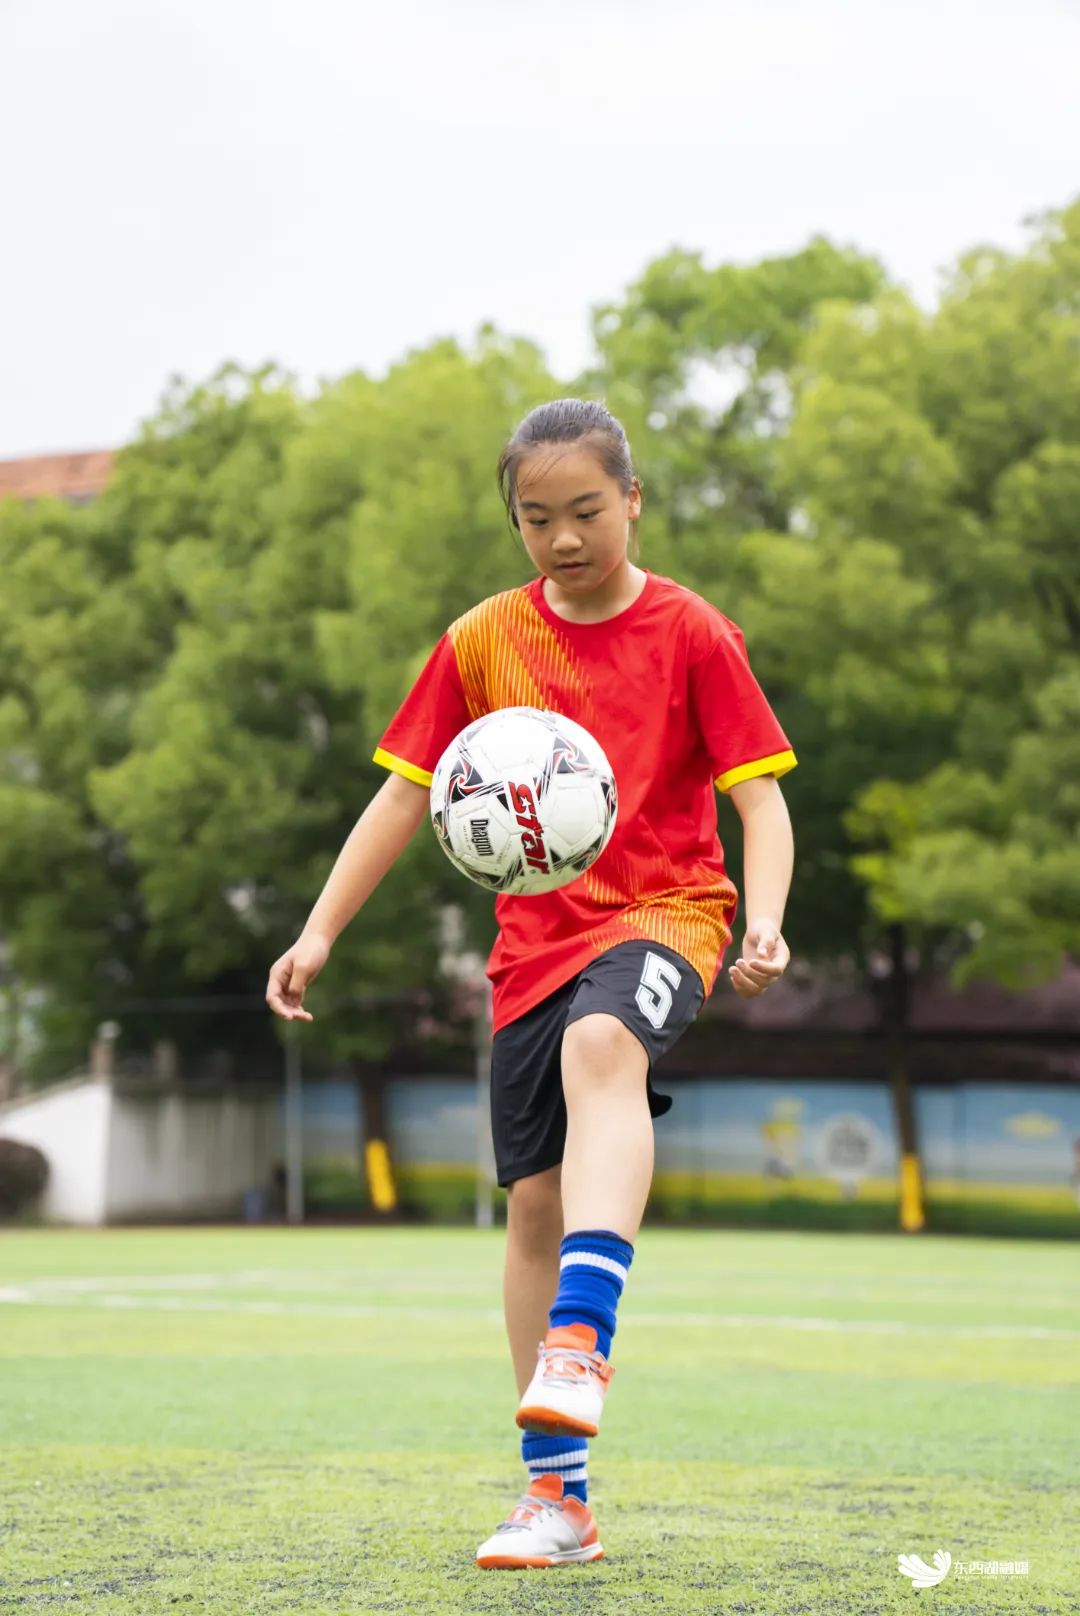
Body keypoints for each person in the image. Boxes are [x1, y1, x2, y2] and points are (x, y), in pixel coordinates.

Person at [265, 398, 797, 1570]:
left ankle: (582, 1335)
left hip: (670, 914)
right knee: (531, 1210)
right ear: (515, 519)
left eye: (587, 512)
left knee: (602, 1045)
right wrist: (318, 932)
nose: (563, 538)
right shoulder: (479, 641)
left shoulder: (694, 631)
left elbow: (760, 796)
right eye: (536, 517)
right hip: (531, 948)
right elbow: (405, 792)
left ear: (634, 500)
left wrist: (762, 921)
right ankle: (557, 1500)